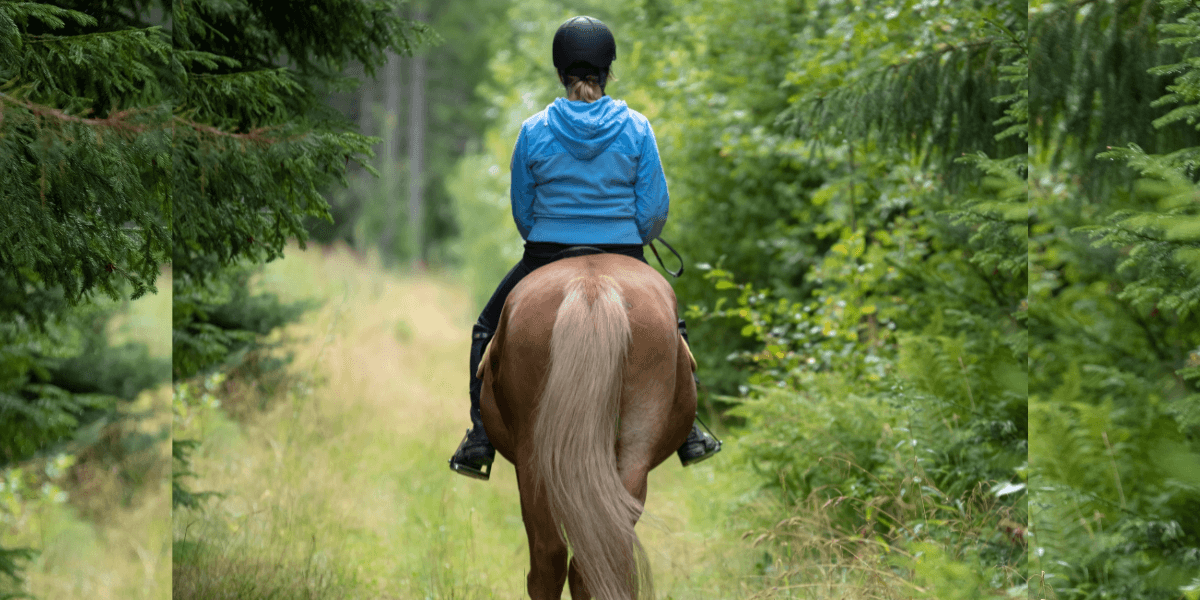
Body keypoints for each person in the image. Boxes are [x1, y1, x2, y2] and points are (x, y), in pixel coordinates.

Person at [448, 15, 720, 480]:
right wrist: (628, 233)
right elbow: (654, 210)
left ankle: (479, 437)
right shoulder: (637, 129)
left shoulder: (534, 130)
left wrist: (551, 232)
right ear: (608, 71)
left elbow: (523, 211)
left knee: (484, 329)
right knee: (671, 329)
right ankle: (690, 428)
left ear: (560, 73)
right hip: (624, 252)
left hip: (544, 254)